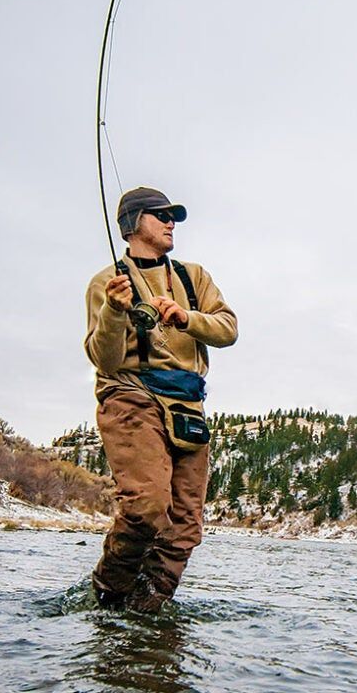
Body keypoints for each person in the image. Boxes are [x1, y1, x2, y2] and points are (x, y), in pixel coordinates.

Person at [84, 186, 237, 613]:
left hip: (188, 406)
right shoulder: (105, 283)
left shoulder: (195, 276)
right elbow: (106, 359)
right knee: (148, 507)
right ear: (134, 223)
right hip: (130, 396)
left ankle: (146, 609)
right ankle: (107, 595)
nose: (172, 222)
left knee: (186, 526)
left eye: (174, 216)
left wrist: (186, 318)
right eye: (161, 214)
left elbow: (228, 329)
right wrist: (115, 312)